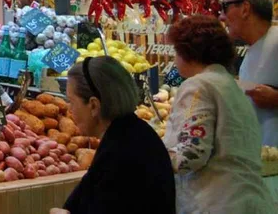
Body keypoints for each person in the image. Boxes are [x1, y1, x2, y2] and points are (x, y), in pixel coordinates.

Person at [163, 15, 272, 212]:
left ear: (188, 52)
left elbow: (190, 154)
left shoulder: (198, 86)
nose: (174, 58)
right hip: (251, 201)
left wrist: (148, 157)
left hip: (215, 203)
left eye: (176, 51)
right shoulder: (230, 86)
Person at [53, 56, 175, 214]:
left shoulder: (121, 153)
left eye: (72, 101)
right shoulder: (131, 132)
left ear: (94, 106)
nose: (70, 110)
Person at [221, 0, 278, 146]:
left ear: (245, 9)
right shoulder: (255, 47)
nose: (222, 17)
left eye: (225, 7)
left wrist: (275, 99)